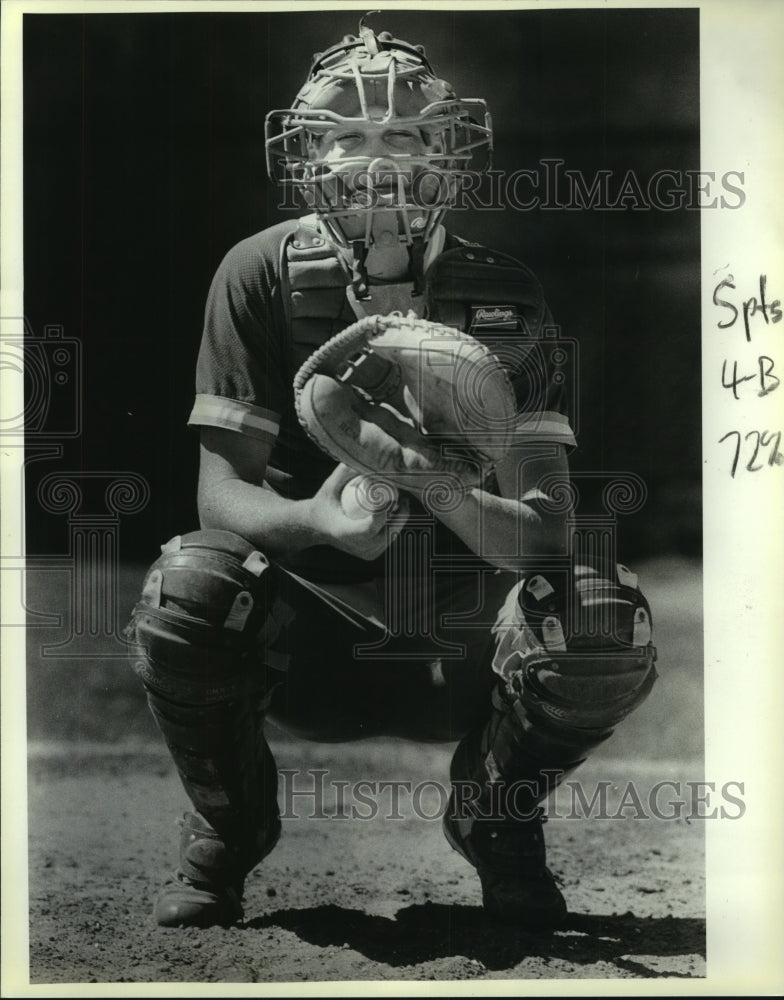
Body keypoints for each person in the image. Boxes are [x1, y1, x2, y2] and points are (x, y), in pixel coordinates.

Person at [127, 19, 657, 931]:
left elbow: (547, 530)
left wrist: (433, 482)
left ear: (446, 153)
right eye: (349, 137)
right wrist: (320, 524)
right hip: (313, 642)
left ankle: (496, 821)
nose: (376, 161)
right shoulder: (258, 274)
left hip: (461, 653)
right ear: (306, 156)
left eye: (403, 136)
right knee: (189, 585)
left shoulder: (504, 292)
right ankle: (230, 825)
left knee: (600, 616)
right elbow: (220, 495)